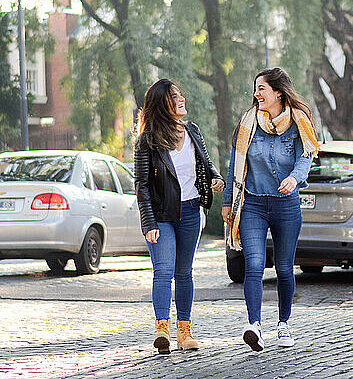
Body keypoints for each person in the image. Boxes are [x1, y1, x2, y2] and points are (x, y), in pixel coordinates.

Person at [222, 67, 320, 352]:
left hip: (286, 206)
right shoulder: (248, 124)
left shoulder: (299, 122)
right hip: (252, 203)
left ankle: (284, 324)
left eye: (261, 88)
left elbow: (306, 157)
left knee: (284, 268)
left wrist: (294, 177)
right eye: (256, 89)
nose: (256, 94)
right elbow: (234, 165)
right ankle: (254, 325)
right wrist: (228, 201)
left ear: (278, 92)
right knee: (253, 264)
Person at [134, 78, 224, 354]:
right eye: (174, 96)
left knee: (184, 273)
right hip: (161, 215)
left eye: (180, 94)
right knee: (163, 271)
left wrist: (215, 178)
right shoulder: (147, 140)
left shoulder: (192, 131)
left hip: (191, 211)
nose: (181, 98)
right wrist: (148, 222)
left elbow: (206, 165)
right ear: (163, 103)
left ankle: (185, 330)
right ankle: (163, 329)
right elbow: (142, 185)